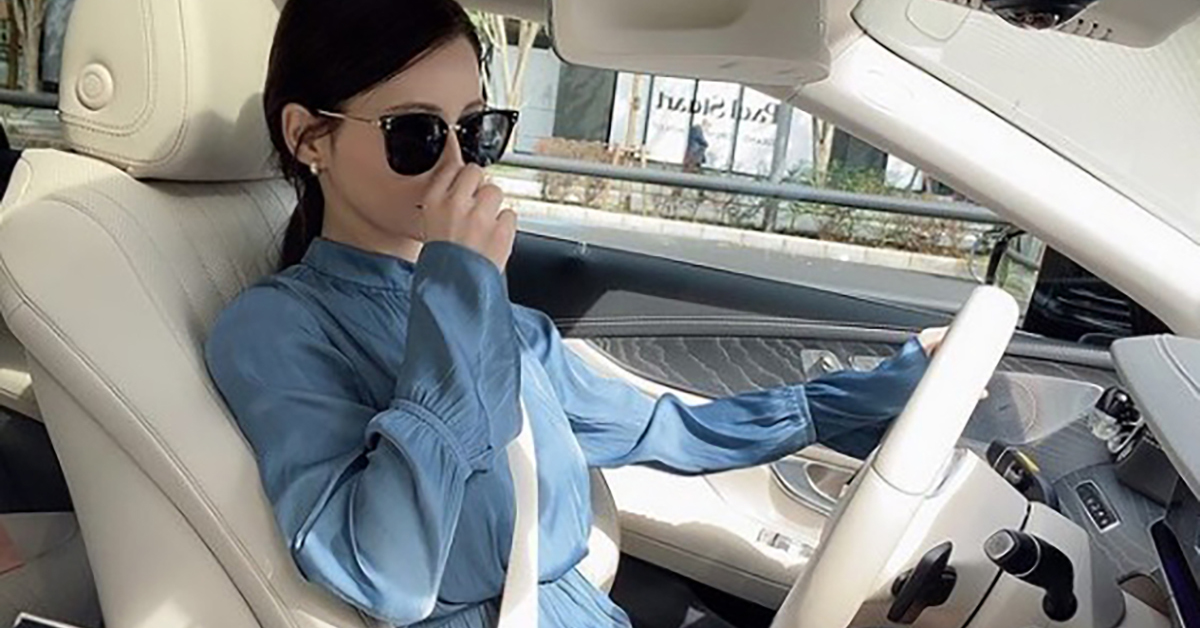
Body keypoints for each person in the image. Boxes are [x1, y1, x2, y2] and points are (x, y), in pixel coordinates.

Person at [204, 1, 946, 626]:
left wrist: (872, 393)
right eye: (415, 135)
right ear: (309, 137)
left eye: (477, 129)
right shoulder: (277, 328)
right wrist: (457, 290)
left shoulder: (499, 320)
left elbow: (664, 431)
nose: (461, 166)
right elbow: (390, 574)